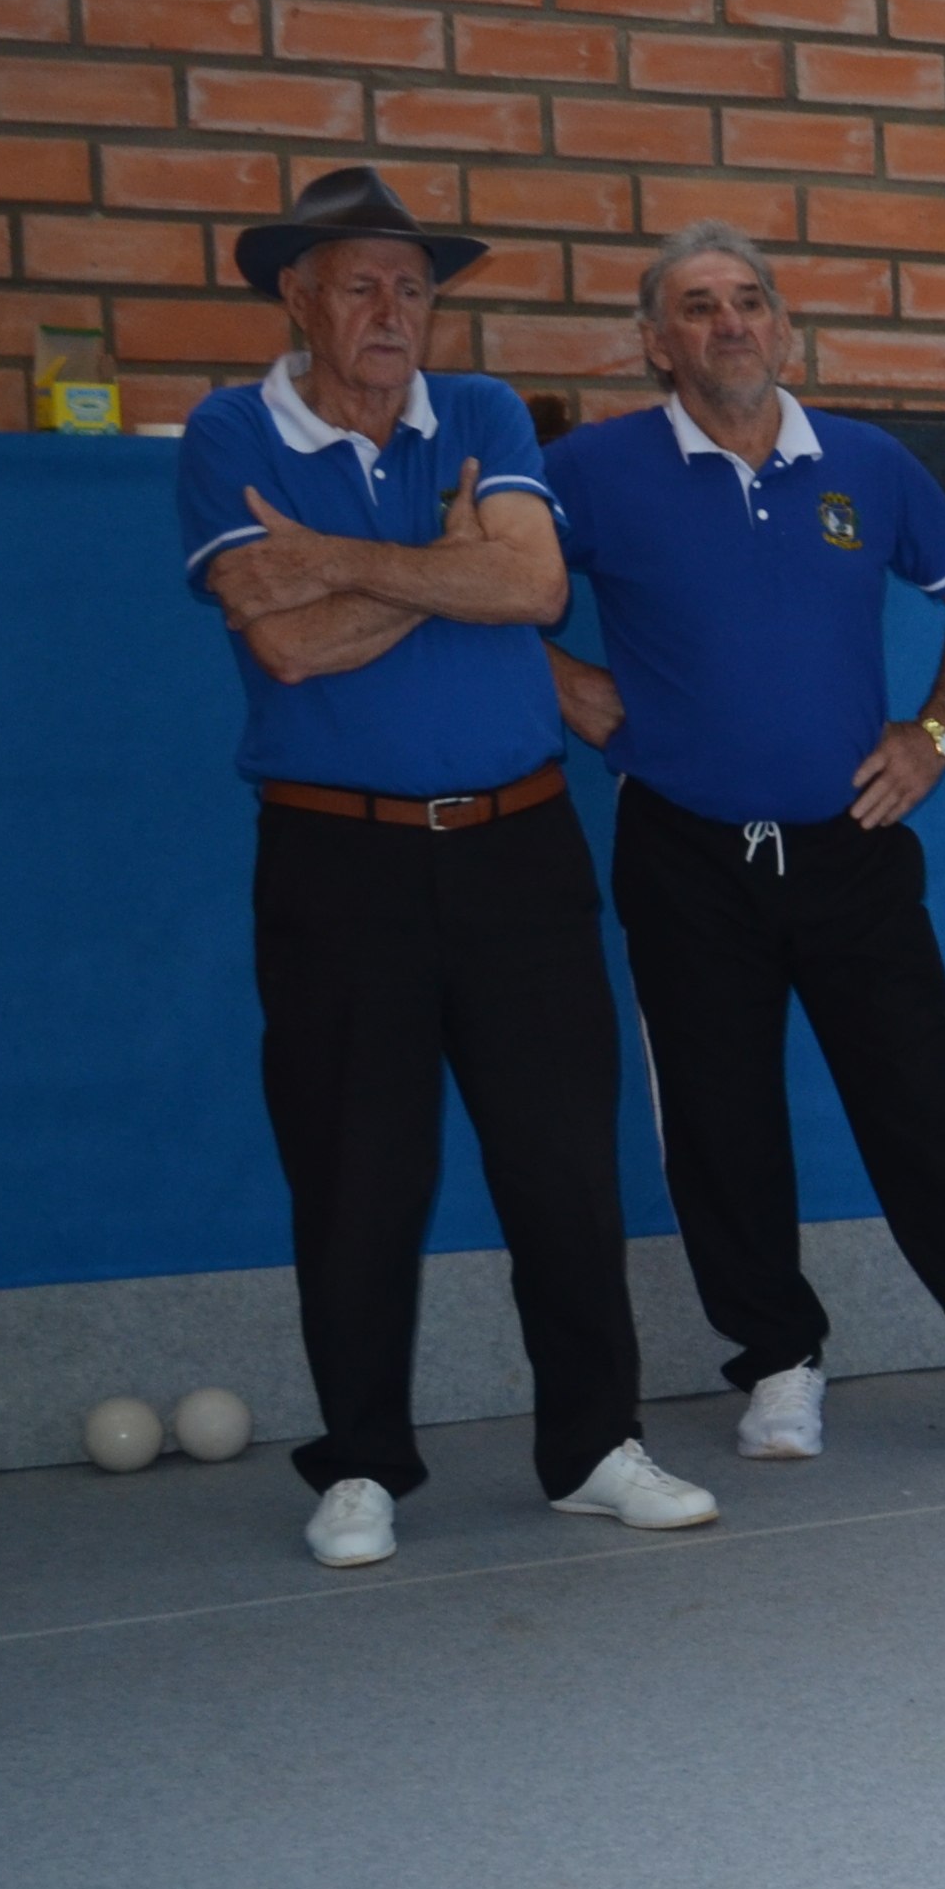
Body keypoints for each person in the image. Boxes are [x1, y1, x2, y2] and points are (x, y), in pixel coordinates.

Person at [177, 164, 716, 1570]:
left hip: (518, 850)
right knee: (356, 1176)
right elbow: (280, 641)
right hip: (334, 860)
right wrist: (439, 552)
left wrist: (348, 567)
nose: (393, 310)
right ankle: (360, 1463)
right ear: (296, 296)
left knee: (562, 1169)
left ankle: (595, 1447)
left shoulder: (477, 411)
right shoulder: (231, 429)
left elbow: (531, 587)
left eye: (413, 286)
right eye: (361, 283)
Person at [544, 223, 945, 1470]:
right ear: (656, 342)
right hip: (685, 852)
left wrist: (940, 733)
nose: (730, 325)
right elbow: (479, 570)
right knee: (719, 1125)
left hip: (850, 854)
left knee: (927, 1114)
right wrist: (569, 687)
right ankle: (776, 1364)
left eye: (749, 302)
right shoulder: (594, 469)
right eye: (698, 308)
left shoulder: (861, 463)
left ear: (782, 327)